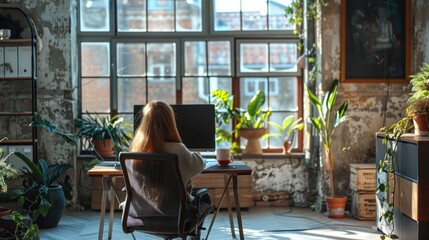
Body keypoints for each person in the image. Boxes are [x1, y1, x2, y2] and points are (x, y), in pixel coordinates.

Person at [129, 100, 211, 237]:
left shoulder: (136, 153)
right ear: (170, 122)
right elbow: (199, 165)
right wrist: (197, 155)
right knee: (205, 197)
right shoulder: (178, 150)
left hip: (141, 216)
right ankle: (191, 237)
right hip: (177, 218)